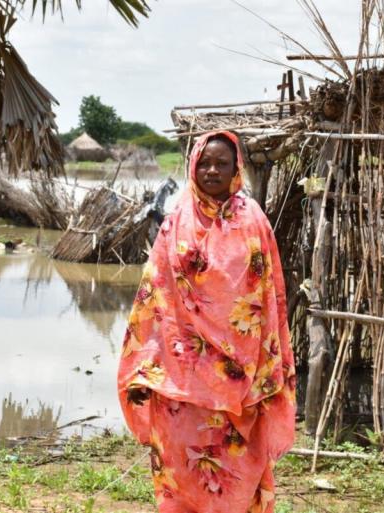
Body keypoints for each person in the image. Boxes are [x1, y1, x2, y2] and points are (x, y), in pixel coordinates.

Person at [117, 131, 296, 513]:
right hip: (182, 380)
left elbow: (268, 297)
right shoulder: (175, 222)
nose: (212, 170)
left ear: (236, 169)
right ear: (193, 165)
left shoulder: (253, 221)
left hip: (240, 378)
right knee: (181, 468)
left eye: (222, 163)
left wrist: (260, 365)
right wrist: (147, 364)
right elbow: (156, 296)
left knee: (236, 471)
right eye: (204, 162)